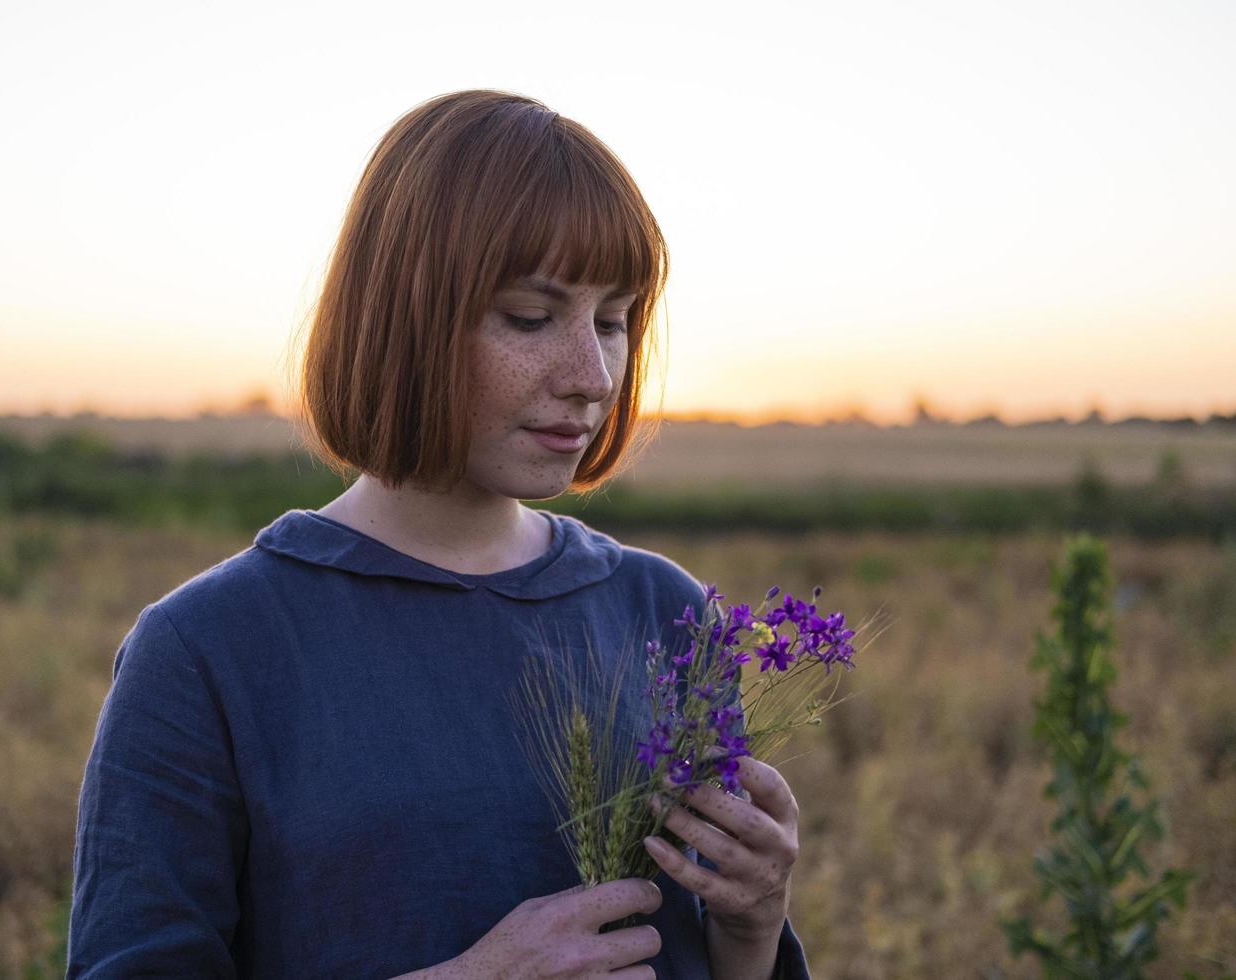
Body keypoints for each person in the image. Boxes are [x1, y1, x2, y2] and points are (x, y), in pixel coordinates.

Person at [68, 89, 810, 979]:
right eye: (530, 318)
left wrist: (752, 928)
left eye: (613, 320)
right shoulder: (207, 652)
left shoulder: (669, 614)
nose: (592, 375)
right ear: (402, 316)